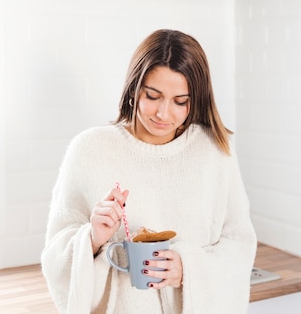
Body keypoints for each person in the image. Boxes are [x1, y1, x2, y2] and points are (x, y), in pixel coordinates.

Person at [41, 29, 257, 314]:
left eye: (181, 101)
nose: (163, 114)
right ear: (134, 87)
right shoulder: (90, 150)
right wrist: (92, 239)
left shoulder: (215, 151)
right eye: (153, 96)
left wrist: (189, 271)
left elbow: (240, 244)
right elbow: (55, 258)